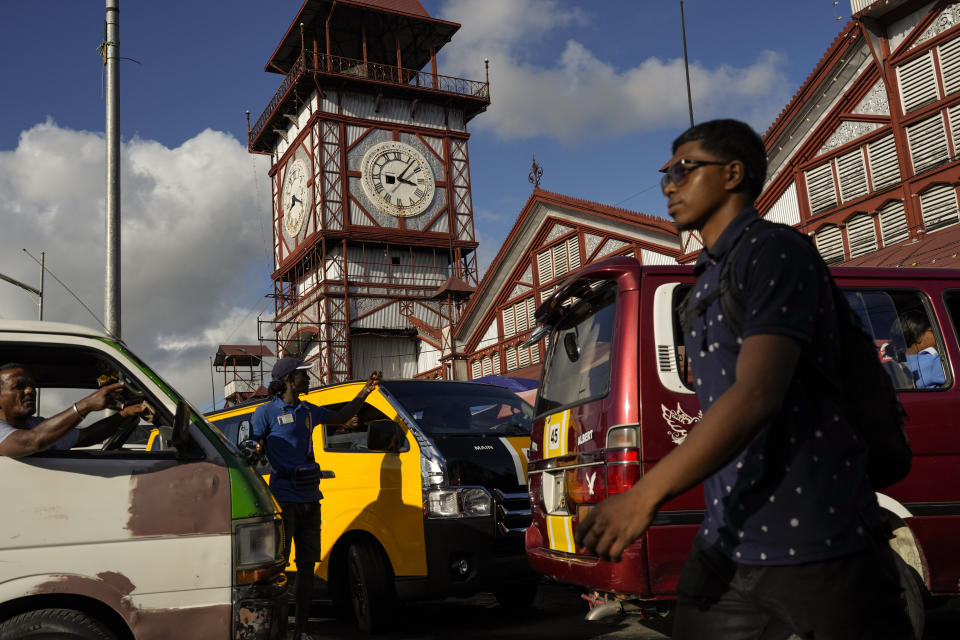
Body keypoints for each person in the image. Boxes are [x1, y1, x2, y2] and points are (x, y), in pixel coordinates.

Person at [574, 119, 913, 638]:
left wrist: (643, 496)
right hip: (730, 540)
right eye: (665, 173)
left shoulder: (775, 252)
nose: (669, 184)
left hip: (818, 539)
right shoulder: (706, 279)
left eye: (684, 169)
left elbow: (757, 393)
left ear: (733, 174)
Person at [251, 357, 381, 640]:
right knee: (280, 568)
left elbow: (340, 417)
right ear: (288, 380)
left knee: (308, 568)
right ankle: (280, 630)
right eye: (303, 375)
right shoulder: (264, 414)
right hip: (284, 499)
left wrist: (365, 392)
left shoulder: (307, 410)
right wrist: (257, 450)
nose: (308, 379)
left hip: (311, 498)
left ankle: (301, 631)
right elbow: (254, 447)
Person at [0, 362, 154, 458]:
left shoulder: (35, 425)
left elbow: (85, 436)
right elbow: (30, 442)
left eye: (32, 385)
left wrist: (124, 414)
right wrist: (85, 405)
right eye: (18, 386)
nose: (30, 391)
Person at [901, 310, 945, 389]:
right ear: (918, 337)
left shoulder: (899, 363)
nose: (937, 335)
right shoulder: (934, 362)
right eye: (932, 331)